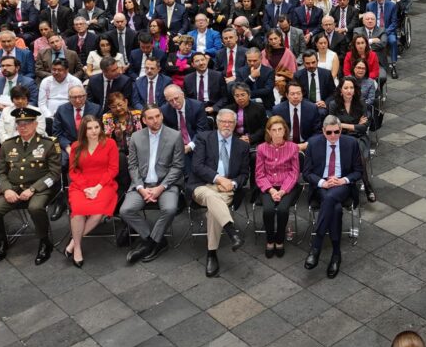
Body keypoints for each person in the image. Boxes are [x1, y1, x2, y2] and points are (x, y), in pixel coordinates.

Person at [0, 107, 61, 265]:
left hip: (39, 188)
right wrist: (6, 189)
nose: (23, 126)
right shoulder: (8, 145)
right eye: (19, 123)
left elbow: (54, 174)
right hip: (13, 188)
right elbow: (0, 173)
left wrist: (33, 189)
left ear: (35, 124)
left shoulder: (48, 144)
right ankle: (1, 241)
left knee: (35, 208)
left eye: (27, 123)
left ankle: (44, 242)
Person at [120, 104, 185, 264]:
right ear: (143, 120)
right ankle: (156, 240)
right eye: (150, 118)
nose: (155, 120)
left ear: (162, 116)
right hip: (141, 185)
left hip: (166, 184)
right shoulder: (136, 137)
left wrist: (161, 187)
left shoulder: (175, 136)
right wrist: (141, 188)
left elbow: (178, 167)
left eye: (158, 116)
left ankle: (150, 243)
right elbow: (132, 166)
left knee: (170, 209)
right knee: (125, 210)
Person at [303, 115, 363, 278]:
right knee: (335, 208)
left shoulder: (351, 143)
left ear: (341, 130)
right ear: (323, 131)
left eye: (336, 132)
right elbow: (306, 173)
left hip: (342, 185)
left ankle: (316, 246)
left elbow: (358, 171)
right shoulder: (313, 143)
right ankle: (336, 254)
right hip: (322, 185)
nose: (333, 135)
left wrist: (343, 180)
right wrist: (322, 182)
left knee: (330, 199)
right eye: (329, 132)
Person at [191, 109, 249, 278]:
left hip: (226, 190)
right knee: (211, 197)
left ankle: (211, 254)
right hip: (202, 186)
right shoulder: (203, 138)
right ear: (217, 123)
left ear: (235, 124)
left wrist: (232, 183)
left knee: (213, 212)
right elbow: (197, 166)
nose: (227, 125)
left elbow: (244, 174)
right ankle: (232, 231)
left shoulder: (242, 146)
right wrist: (219, 179)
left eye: (230, 122)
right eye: (223, 121)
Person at [65, 115, 118, 267]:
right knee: (78, 211)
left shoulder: (110, 143)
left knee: (97, 213)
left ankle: (73, 242)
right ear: (83, 130)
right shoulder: (76, 146)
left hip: (104, 184)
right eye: (89, 128)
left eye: (96, 127)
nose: (94, 131)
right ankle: (77, 248)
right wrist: (85, 188)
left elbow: (113, 169)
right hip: (81, 185)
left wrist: (97, 188)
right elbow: (73, 171)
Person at [256, 116, 301, 258]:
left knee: (282, 210)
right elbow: (259, 174)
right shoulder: (261, 148)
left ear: (284, 130)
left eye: (280, 129)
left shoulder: (293, 147)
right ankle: (270, 240)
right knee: (268, 210)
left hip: (287, 185)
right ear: (268, 132)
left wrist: (282, 191)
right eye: (273, 130)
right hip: (268, 185)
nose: (277, 133)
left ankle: (280, 240)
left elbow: (294, 173)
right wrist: (271, 190)